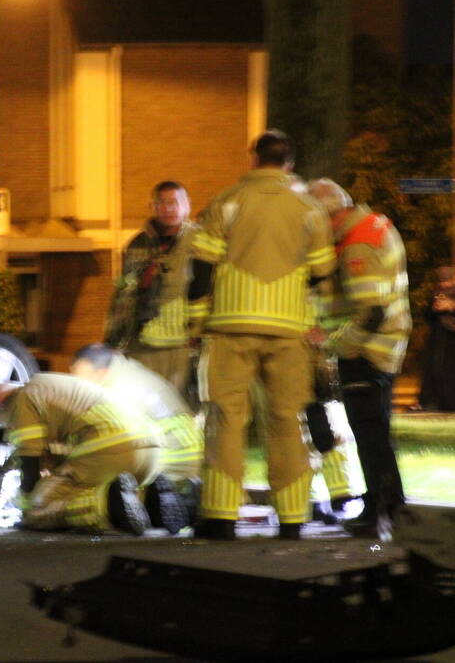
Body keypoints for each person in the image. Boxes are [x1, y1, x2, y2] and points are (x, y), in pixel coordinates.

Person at [187, 130, 336, 540]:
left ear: (253, 158)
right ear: (288, 163)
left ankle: (220, 516)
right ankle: (292, 519)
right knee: (288, 421)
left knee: (226, 419)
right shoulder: (310, 208)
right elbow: (323, 271)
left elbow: (201, 269)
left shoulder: (227, 201)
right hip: (288, 332)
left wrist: (194, 320)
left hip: (230, 328)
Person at [307, 178, 411, 540]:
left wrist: (335, 344)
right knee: (376, 432)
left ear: (329, 215)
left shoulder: (358, 244)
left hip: (368, 351)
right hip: (382, 347)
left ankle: (378, 510)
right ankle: (388, 502)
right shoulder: (371, 226)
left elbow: (371, 313)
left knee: (370, 435)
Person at [0, 372, 186, 535]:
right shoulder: (51, 388)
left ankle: (108, 506)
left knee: (39, 507)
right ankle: (150, 501)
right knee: (90, 484)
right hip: (151, 453)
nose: (9, 429)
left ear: (2, 406)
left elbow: (29, 458)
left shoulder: (21, 399)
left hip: (112, 449)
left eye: (4, 423)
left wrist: (26, 502)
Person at [69, 343, 201, 531]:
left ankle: (129, 504)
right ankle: (178, 500)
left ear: (101, 372)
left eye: (81, 379)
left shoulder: (119, 389)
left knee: (100, 483)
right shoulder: (131, 373)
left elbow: (113, 440)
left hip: (166, 458)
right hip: (184, 456)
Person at [105, 181, 204, 397]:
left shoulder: (200, 243)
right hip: (143, 343)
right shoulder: (137, 245)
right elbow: (122, 295)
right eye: (162, 203)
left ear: (187, 205)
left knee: (182, 410)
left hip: (183, 344)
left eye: (174, 202)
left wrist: (201, 332)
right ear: (152, 207)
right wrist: (112, 340)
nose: (169, 208)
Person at [416, 266, 455, 411]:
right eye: (441, 281)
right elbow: (428, 317)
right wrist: (434, 308)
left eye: (447, 281)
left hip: (451, 343)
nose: (444, 284)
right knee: (435, 373)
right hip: (437, 343)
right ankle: (433, 403)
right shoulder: (436, 295)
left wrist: (451, 307)